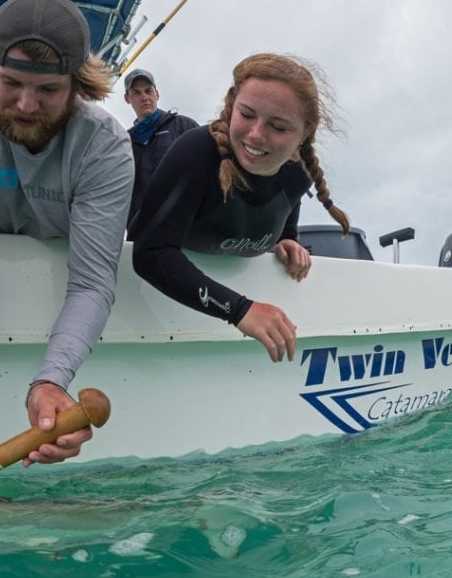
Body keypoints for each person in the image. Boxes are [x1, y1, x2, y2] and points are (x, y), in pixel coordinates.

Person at [0, 0, 134, 466]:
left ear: (77, 86)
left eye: (48, 90)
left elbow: (92, 280)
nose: (25, 104)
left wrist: (51, 381)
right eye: (11, 83)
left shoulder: (106, 147)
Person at [131, 53, 349, 363]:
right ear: (232, 105)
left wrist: (288, 237)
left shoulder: (297, 173)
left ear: (304, 135)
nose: (256, 134)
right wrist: (239, 309)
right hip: (145, 310)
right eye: (247, 114)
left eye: (279, 126)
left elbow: (287, 204)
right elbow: (150, 253)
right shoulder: (195, 153)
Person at [121, 68, 198, 235]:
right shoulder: (123, 142)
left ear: (157, 94)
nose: (144, 97)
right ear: (127, 98)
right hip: (140, 231)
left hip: (184, 229)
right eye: (136, 92)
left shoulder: (184, 127)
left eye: (149, 91)